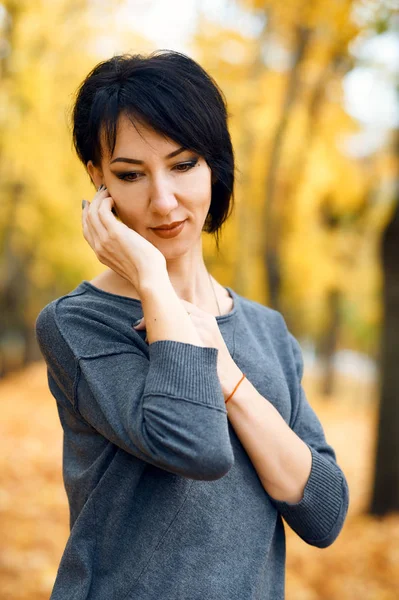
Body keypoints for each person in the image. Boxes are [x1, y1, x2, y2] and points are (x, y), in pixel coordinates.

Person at [35, 50, 349, 600]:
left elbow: (323, 513)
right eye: (131, 175)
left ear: (214, 164)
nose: (163, 201)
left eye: (183, 165)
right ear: (97, 181)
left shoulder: (268, 331)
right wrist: (155, 282)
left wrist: (228, 375)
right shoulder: (77, 324)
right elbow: (196, 448)